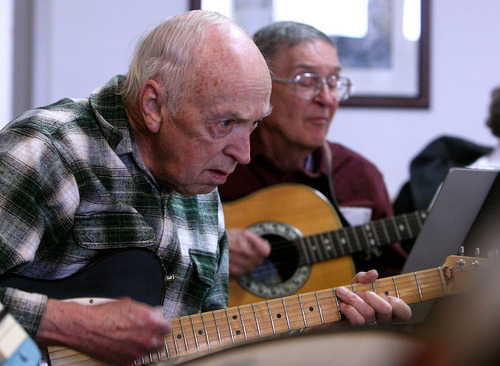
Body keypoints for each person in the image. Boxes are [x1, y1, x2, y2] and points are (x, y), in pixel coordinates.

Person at [0, 10, 272, 365]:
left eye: (253, 125)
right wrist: (67, 324)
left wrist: (325, 327)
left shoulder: (202, 183)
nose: (244, 154)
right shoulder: (50, 150)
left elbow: (213, 341)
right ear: (153, 105)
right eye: (225, 123)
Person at [219, 21, 408, 279]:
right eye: (306, 81)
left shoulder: (359, 176)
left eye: (333, 81)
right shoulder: (215, 162)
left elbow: (393, 275)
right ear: (261, 86)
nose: (327, 99)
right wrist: (211, 243)